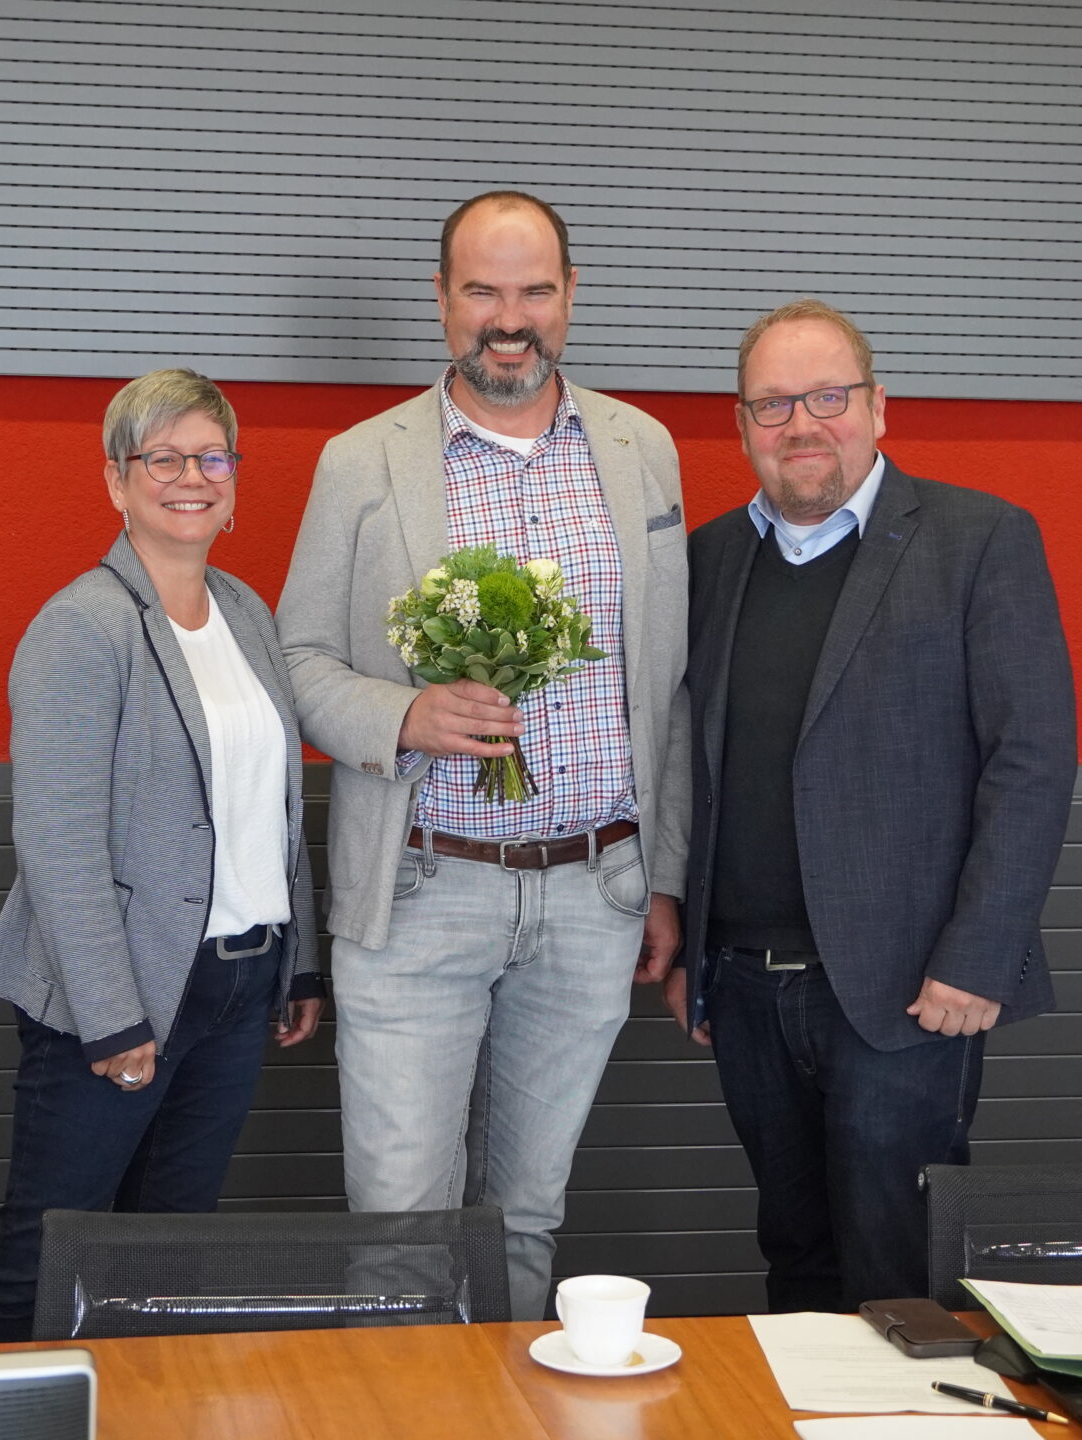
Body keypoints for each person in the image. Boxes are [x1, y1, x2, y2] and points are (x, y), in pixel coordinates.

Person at [278, 190, 690, 1321]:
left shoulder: (640, 449)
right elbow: (299, 657)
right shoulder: (362, 461)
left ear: (569, 295)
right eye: (482, 290)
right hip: (421, 890)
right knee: (403, 1225)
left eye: (534, 290)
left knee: (525, 1220)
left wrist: (664, 879)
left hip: (593, 895)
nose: (509, 319)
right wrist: (400, 717)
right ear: (442, 297)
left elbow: (668, 688)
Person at [666, 299, 1077, 1311]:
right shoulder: (707, 562)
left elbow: (1031, 759)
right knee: (795, 1262)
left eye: (826, 396)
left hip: (907, 993)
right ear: (741, 425)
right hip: (745, 991)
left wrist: (977, 956)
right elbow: (688, 760)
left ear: (877, 407)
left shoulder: (978, 540)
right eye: (771, 404)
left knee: (900, 1278)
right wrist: (691, 946)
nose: (801, 424)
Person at [0, 368, 324, 1342]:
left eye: (211, 456)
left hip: (238, 987)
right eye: (162, 458)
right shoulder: (80, 627)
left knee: (165, 1260)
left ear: (234, 477)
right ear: (117, 481)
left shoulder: (246, 613)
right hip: (113, 1000)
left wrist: (301, 960)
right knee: (39, 1262)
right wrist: (112, 1021)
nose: (190, 476)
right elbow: (55, 840)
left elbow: (273, 802)